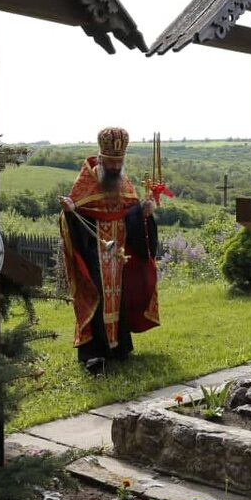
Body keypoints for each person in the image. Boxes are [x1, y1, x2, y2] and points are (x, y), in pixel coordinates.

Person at [59, 127, 160, 373]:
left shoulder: (123, 181)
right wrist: (70, 212)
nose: (115, 167)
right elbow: (76, 215)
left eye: (119, 162)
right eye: (111, 162)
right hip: (94, 252)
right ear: (101, 158)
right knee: (96, 294)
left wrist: (144, 213)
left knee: (121, 294)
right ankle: (94, 353)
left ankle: (118, 347)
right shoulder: (86, 181)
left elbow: (132, 212)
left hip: (120, 254)